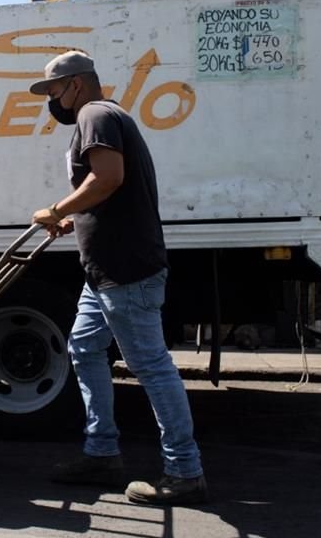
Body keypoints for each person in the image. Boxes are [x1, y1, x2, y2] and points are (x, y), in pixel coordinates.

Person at [29, 50, 206, 505]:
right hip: (104, 270)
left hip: (125, 269)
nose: (51, 100)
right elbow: (108, 192)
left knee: (150, 366)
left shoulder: (94, 113)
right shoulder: (101, 115)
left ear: (77, 84)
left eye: (53, 90)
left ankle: (185, 471)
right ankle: (101, 453)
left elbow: (107, 177)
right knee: (84, 348)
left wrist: (56, 209)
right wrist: (74, 220)